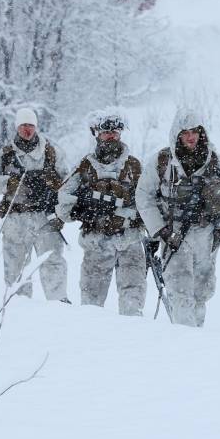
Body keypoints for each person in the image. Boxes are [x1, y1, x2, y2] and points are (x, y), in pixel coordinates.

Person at [135, 107, 220, 327]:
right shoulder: (163, 161)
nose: (190, 136)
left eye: (195, 131)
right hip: (175, 235)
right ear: (177, 135)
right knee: (179, 290)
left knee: (201, 291)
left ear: (201, 133)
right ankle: (185, 339)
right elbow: (144, 196)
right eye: (185, 132)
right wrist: (160, 229)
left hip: (206, 235)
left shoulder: (214, 162)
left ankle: (195, 338)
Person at [57, 110, 147, 316]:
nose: (111, 135)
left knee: (133, 300)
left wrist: (145, 223)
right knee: (91, 304)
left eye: (115, 131)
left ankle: (136, 343)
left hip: (129, 238)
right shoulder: (85, 166)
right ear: (96, 133)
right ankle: (93, 343)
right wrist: (83, 210)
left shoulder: (134, 165)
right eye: (106, 132)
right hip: (97, 240)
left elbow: (148, 199)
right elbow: (64, 197)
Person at [0, 107, 69, 301]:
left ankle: (59, 304)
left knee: (53, 262)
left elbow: (68, 180)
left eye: (30, 125)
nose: (27, 129)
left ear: (36, 127)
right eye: (23, 125)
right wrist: (7, 183)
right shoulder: (6, 154)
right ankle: (18, 304)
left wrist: (53, 183)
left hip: (46, 216)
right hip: (16, 217)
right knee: (15, 265)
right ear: (17, 127)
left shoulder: (51, 152)